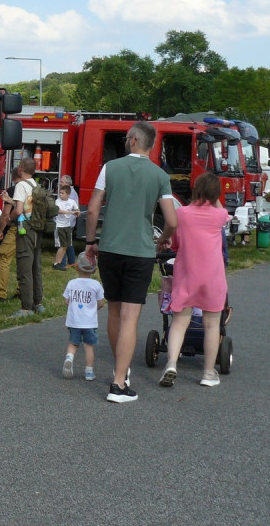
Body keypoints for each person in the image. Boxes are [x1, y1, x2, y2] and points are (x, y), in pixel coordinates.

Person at [85, 121, 178, 404]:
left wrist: (90, 242)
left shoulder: (109, 168)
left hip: (110, 249)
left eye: (127, 138)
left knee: (114, 311)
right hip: (140, 252)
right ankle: (118, 383)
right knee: (130, 317)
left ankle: (121, 369)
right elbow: (172, 220)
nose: (126, 141)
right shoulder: (160, 175)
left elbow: (92, 210)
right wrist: (164, 238)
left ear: (134, 140)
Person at [158, 172, 230, 389]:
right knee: (212, 325)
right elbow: (221, 210)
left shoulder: (182, 214)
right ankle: (208, 372)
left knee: (179, 321)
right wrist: (214, 197)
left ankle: (171, 363)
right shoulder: (219, 215)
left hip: (187, 274)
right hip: (213, 277)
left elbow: (175, 244)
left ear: (195, 190)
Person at [62, 253, 106, 381]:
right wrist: (93, 308)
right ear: (94, 270)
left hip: (74, 321)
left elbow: (66, 301)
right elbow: (101, 303)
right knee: (88, 346)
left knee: (73, 343)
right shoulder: (96, 285)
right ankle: (89, 372)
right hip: (89, 322)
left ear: (77, 267)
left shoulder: (71, 283)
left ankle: (69, 358)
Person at [9, 157, 43, 318]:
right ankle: (38, 303)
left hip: (25, 229)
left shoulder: (21, 185)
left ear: (21, 168)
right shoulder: (36, 185)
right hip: (38, 228)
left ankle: (26, 307)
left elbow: (18, 210)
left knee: (24, 266)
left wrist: (9, 219)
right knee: (36, 266)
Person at [0, 167, 19, 304]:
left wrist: (0, 230)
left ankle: (1, 293)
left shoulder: (13, 190)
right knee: (23, 260)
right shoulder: (33, 187)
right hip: (31, 229)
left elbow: (6, 213)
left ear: (13, 177)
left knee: (3, 258)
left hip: (16, 228)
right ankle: (22, 291)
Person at [53, 184, 79, 270]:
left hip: (67, 226)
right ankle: (57, 263)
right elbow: (59, 211)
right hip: (59, 226)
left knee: (66, 245)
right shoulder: (57, 201)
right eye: (60, 193)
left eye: (62, 193)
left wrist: (77, 212)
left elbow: (77, 209)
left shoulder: (72, 202)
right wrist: (70, 212)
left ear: (68, 194)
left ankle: (60, 263)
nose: (60, 194)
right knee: (61, 245)